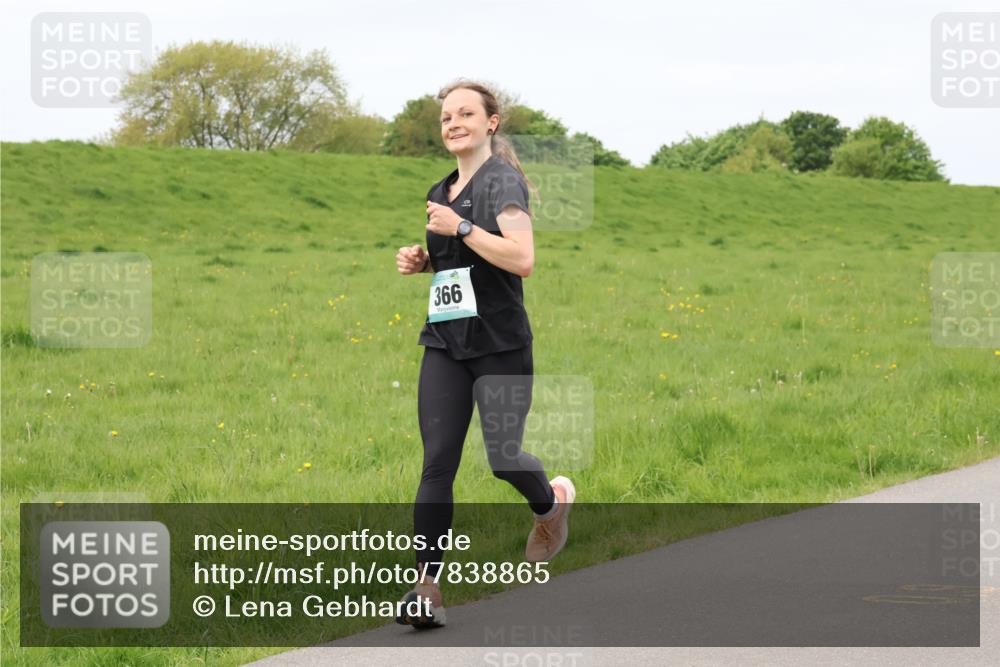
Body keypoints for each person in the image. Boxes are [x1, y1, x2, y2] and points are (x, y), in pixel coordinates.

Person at [393, 79, 576, 630]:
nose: (453, 123)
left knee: (503, 459)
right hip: (447, 341)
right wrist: (425, 260)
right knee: (437, 463)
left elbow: (521, 258)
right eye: (446, 116)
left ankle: (552, 504)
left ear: (490, 122)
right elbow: (461, 262)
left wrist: (462, 226)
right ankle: (427, 590)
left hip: (500, 345)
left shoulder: (504, 183)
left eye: (465, 113)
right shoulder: (439, 188)